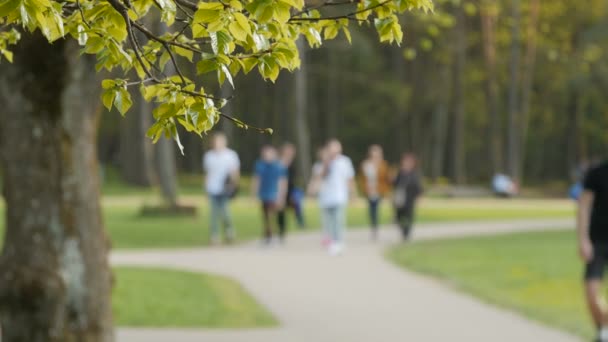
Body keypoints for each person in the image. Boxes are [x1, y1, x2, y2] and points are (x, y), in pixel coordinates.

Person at [577, 159, 608, 342]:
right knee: (591, 293)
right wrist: (583, 239)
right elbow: (584, 206)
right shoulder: (596, 173)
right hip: (597, 242)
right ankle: (604, 329)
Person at [315, 139, 356, 255]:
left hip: (339, 196)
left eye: (337, 147)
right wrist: (325, 163)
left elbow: (350, 178)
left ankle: (338, 242)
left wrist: (352, 193)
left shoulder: (345, 162)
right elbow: (320, 177)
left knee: (338, 220)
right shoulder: (322, 163)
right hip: (325, 198)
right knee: (328, 223)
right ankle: (331, 242)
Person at [203, 132, 240, 244]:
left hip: (225, 188)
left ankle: (229, 232)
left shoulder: (230, 155)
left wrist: (234, 187)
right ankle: (214, 236)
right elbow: (207, 173)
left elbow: (234, 172)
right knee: (213, 214)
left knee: (225, 212)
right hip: (212, 188)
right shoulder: (209, 156)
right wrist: (205, 188)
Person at [252, 145, 288, 245]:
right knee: (266, 215)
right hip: (264, 194)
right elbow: (257, 180)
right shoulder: (260, 165)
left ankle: (274, 233)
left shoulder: (278, 166)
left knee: (272, 214)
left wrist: (281, 196)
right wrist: (254, 194)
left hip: (274, 194)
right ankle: (269, 234)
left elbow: (282, 182)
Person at [360, 145, 391, 240]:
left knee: (376, 210)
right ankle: (373, 227)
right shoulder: (366, 164)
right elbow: (362, 178)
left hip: (379, 191)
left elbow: (386, 178)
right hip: (369, 191)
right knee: (371, 210)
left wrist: (387, 191)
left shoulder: (383, 165)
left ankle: (375, 228)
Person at [277, 143, 306, 240]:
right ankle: (282, 230)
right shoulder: (279, 163)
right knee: (281, 210)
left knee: (296, 200)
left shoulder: (293, 163)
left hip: (291, 189)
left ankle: (299, 218)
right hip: (280, 189)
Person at [393, 153, 423, 241]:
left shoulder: (415, 173)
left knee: (409, 216)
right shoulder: (400, 172)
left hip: (410, 199)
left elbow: (418, 187)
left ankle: (406, 233)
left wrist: (419, 197)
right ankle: (403, 229)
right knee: (398, 216)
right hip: (400, 198)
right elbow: (395, 184)